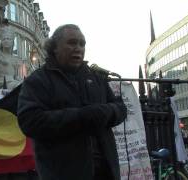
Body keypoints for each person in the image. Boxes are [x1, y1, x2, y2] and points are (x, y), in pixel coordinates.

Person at [17, 24, 127, 180]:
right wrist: (81, 116)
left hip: (105, 171)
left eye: (82, 44)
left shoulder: (95, 77)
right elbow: (30, 121)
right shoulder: (38, 80)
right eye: (72, 43)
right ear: (54, 47)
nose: (78, 48)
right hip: (63, 173)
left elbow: (120, 108)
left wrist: (108, 112)